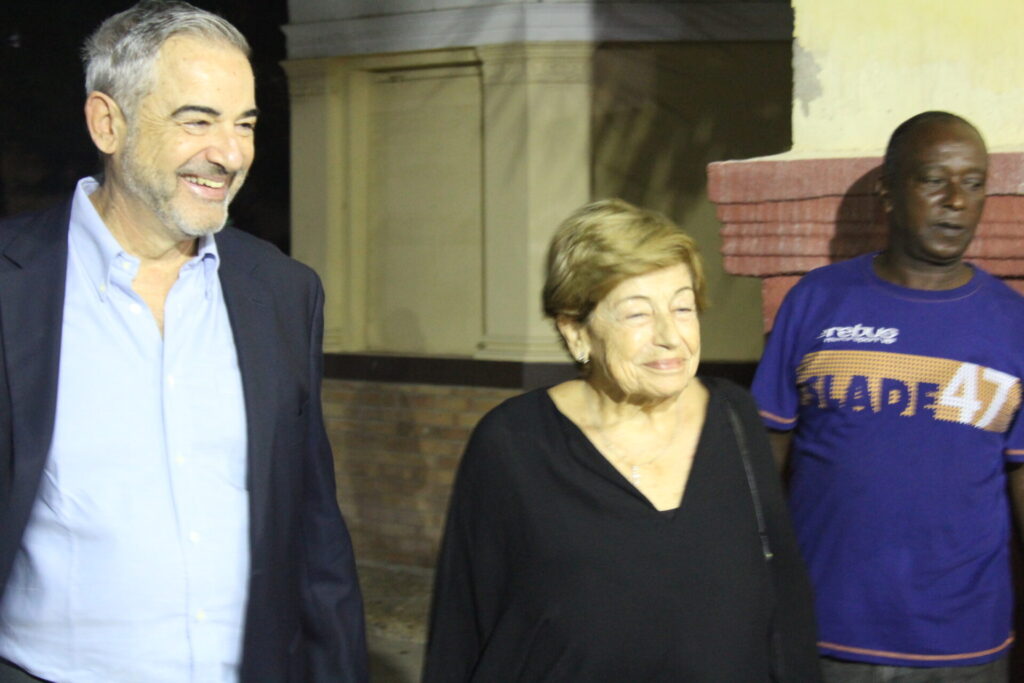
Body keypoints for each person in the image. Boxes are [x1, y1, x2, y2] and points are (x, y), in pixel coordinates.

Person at [0, 2, 367, 681]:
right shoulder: (12, 286)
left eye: (244, 124)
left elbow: (314, 532)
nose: (229, 154)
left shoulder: (282, 293)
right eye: (197, 120)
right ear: (108, 123)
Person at [423, 199, 822, 681]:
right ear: (576, 331)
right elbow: (462, 624)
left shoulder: (733, 418)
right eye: (637, 314)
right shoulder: (513, 443)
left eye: (682, 307)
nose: (669, 336)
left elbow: (786, 601)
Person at [752, 111, 1024, 681]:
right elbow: (763, 459)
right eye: (935, 180)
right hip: (825, 633)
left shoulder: (1011, 323)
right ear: (888, 191)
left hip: (963, 645)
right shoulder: (817, 300)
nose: (956, 201)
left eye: (974, 183)